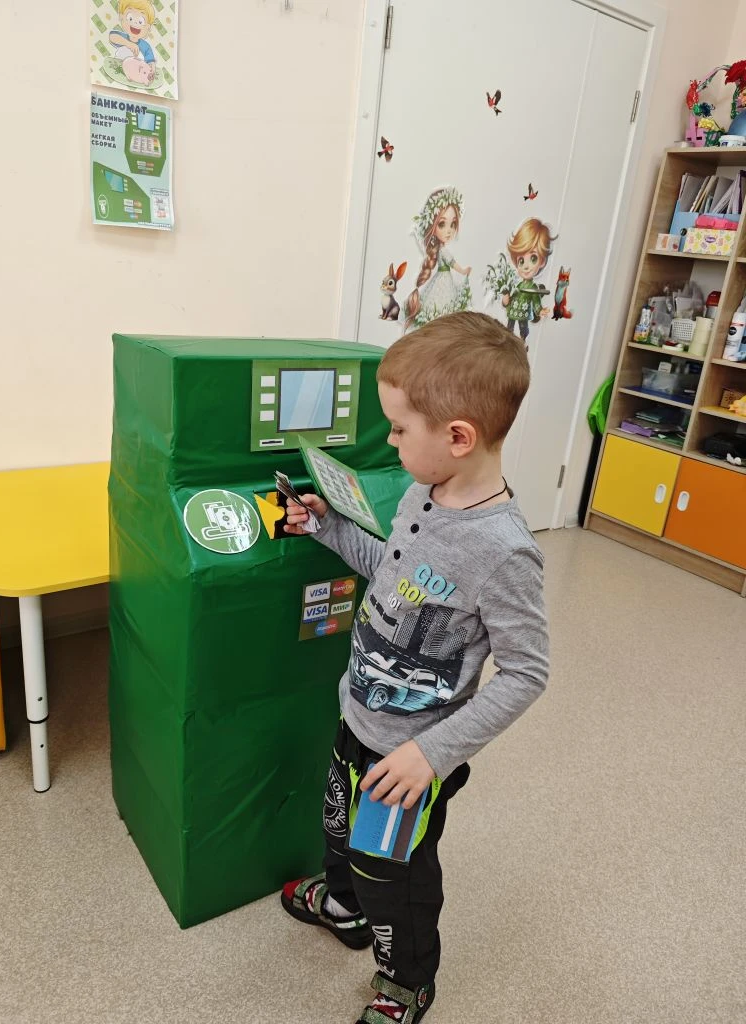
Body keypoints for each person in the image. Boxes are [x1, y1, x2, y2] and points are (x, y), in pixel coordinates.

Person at [280, 311, 549, 1024]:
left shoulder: (504, 552)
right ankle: (343, 908)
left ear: (458, 437)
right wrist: (328, 526)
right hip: (358, 715)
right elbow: (390, 576)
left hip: (411, 757)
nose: (390, 441)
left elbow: (527, 673)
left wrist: (432, 755)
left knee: (392, 875)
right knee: (338, 827)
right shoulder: (421, 495)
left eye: (399, 429)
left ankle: (407, 983)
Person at [404, 187, 472, 332]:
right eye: (442, 224)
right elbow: (452, 263)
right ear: (432, 225)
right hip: (444, 277)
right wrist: (463, 270)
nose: (449, 230)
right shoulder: (443, 251)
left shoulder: (440, 249)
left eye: (453, 224)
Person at [501, 218, 556, 344]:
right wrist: (506, 299)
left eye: (533, 258)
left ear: (542, 261)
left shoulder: (532, 287)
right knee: (509, 328)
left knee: (523, 329)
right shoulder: (518, 285)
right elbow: (508, 301)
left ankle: (522, 341)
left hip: (522, 314)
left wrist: (540, 310)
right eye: (521, 261)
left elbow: (536, 302)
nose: (526, 266)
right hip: (512, 312)